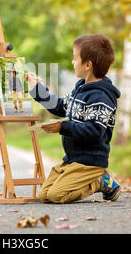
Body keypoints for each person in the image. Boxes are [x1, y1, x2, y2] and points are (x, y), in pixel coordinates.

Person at [27, 34, 121, 203]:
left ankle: (99, 181)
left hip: (89, 161)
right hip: (72, 159)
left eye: (75, 58)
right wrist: (37, 90)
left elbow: (94, 131)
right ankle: (89, 179)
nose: (72, 62)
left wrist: (62, 128)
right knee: (44, 195)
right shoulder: (80, 88)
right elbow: (61, 106)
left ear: (88, 65)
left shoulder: (101, 97)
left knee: (57, 195)